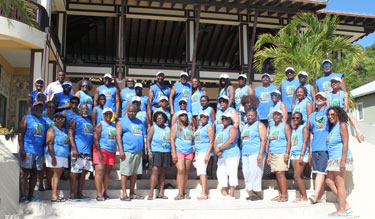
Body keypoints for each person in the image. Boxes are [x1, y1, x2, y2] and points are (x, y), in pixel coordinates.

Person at [325, 106, 354, 217]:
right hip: (333, 158)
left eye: (333, 114)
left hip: (340, 158)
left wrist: (342, 161)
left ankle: (342, 210)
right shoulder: (333, 127)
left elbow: (345, 143)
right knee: (329, 181)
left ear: (338, 114)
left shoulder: (342, 125)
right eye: (329, 115)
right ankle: (345, 205)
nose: (330, 117)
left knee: (339, 183)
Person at [18, 101, 47, 203]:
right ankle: (23, 196)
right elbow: (21, 134)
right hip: (27, 149)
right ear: (33, 108)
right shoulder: (26, 118)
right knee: (25, 172)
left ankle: (31, 196)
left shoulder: (44, 122)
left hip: (38, 152)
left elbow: (44, 139)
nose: (39, 109)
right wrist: (22, 150)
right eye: (37, 107)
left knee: (34, 173)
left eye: (41, 107)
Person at [116, 105, 146, 201]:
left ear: (137, 112)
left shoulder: (140, 122)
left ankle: (132, 193)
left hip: (138, 151)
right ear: (127, 111)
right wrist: (121, 150)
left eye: (133, 111)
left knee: (134, 173)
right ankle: (124, 193)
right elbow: (118, 135)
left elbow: (142, 136)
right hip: (127, 151)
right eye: (130, 111)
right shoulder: (121, 121)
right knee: (125, 172)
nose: (131, 113)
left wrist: (144, 150)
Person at [306, 92, 330, 204]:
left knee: (321, 171)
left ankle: (315, 195)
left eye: (322, 98)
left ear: (325, 100)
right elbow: (311, 132)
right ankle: (321, 194)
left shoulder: (329, 112)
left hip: (325, 147)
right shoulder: (312, 116)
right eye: (317, 98)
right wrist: (310, 147)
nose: (319, 99)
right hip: (315, 147)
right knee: (317, 171)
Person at [68, 104, 94, 200]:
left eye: (86, 109)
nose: (85, 110)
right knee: (75, 172)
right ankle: (72, 193)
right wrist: (74, 148)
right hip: (78, 151)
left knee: (84, 173)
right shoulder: (74, 119)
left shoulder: (89, 121)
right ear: (79, 110)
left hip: (87, 152)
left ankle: (79, 193)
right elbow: (70, 133)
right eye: (83, 109)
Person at [241, 108, 267, 201]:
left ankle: (257, 193)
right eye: (248, 115)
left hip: (255, 152)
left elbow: (264, 140)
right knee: (247, 173)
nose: (250, 117)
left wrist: (260, 154)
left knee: (255, 172)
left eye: (252, 115)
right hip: (245, 153)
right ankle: (251, 192)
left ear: (256, 116)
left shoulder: (259, 125)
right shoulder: (245, 126)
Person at [327, 77, 364, 141]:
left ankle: (358, 132)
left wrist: (340, 114)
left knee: (349, 114)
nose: (333, 83)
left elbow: (346, 107)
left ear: (339, 83)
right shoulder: (328, 94)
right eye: (332, 82)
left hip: (342, 113)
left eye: (335, 82)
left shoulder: (344, 93)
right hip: (332, 114)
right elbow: (328, 106)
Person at [146, 112, 172, 200]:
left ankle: (161, 193)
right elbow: (148, 141)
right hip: (156, 152)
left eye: (161, 118)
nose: (159, 120)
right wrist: (149, 152)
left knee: (163, 173)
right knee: (155, 172)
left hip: (166, 152)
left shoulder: (168, 128)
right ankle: (151, 193)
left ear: (164, 119)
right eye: (157, 118)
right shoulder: (153, 128)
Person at [214, 112, 240, 199]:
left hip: (232, 154)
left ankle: (231, 194)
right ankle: (225, 193)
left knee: (232, 173)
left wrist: (220, 148)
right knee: (221, 173)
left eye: (227, 118)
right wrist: (217, 151)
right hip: (221, 155)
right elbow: (214, 141)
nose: (224, 120)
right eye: (223, 118)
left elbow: (231, 140)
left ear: (230, 120)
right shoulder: (220, 130)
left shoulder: (232, 128)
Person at [267, 109, 292, 202]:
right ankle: (280, 194)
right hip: (273, 152)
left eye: (278, 115)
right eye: (274, 115)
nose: (276, 116)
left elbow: (289, 139)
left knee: (281, 173)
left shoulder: (285, 126)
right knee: (277, 174)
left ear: (281, 116)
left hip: (281, 152)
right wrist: (269, 155)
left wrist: (287, 153)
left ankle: (284, 195)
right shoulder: (272, 127)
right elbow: (269, 142)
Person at [45, 113, 69, 202]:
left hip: (63, 156)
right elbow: (49, 143)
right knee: (55, 175)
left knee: (58, 175)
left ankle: (55, 194)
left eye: (62, 119)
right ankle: (54, 196)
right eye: (58, 119)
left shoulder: (64, 130)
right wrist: (53, 157)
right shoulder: (52, 129)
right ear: (54, 120)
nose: (60, 121)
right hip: (55, 155)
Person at [93, 108, 117, 201]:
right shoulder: (100, 124)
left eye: (110, 114)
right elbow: (95, 139)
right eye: (106, 114)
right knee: (99, 171)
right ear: (103, 115)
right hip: (101, 150)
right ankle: (99, 194)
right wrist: (99, 153)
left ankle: (104, 192)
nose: (108, 115)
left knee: (107, 173)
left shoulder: (114, 125)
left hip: (111, 151)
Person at [171, 110, 194, 200]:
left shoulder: (190, 127)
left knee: (186, 171)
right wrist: (173, 153)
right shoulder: (175, 126)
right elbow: (172, 140)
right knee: (181, 170)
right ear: (178, 117)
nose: (184, 116)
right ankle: (180, 193)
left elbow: (192, 140)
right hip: (179, 150)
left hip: (189, 151)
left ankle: (184, 191)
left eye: (185, 115)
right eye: (182, 115)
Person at [193, 111, 214, 200]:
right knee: (202, 172)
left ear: (208, 118)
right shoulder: (199, 128)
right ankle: (206, 192)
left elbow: (211, 141)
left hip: (204, 151)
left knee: (202, 172)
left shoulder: (209, 127)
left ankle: (203, 193)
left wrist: (207, 154)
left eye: (205, 117)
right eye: (201, 117)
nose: (203, 118)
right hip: (198, 152)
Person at [290, 112, 309, 202]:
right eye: (293, 118)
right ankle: (302, 195)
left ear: (301, 119)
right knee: (298, 176)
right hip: (293, 154)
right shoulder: (293, 129)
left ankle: (305, 197)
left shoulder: (304, 128)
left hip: (301, 154)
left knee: (297, 176)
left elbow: (305, 142)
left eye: (297, 118)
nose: (295, 120)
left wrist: (302, 155)